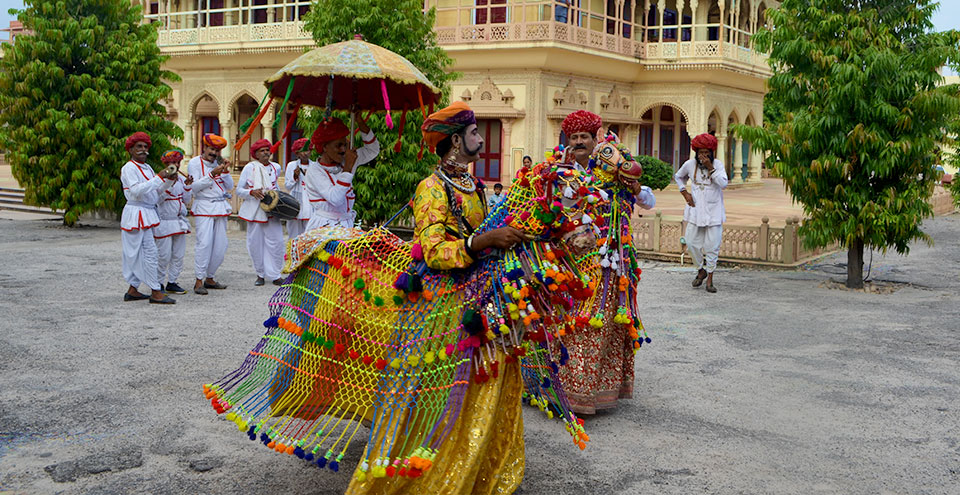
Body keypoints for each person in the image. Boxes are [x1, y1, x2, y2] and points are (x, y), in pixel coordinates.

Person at [346, 101, 526, 495]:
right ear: (458, 141)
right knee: (444, 387)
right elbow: (431, 250)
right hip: (444, 303)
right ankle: (436, 472)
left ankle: (473, 465)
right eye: (476, 133)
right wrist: (484, 240)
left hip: (478, 293)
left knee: (488, 378)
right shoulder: (432, 188)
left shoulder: (472, 185)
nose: (482, 139)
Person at [551, 110, 655, 414]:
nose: (580, 141)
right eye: (574, 137)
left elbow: (647, 199)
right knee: (567, 322)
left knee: (599, 323)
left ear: (596, 138)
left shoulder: (613, 162)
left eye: (585, 136)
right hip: (570, 261)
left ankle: (590, 392)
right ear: (568, 141)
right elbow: (557, 207)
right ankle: (567, 390)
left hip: (609, 261)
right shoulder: (561, 169)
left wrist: (633, 186)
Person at [120, 132, 177, 304]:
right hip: (135, 214)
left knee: (143, 254)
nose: (143, 150)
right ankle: (155, 291)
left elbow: (156, 192)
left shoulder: (148, 168)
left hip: (147, 213)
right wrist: (160, 177)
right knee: (146, 254)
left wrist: (169, 181)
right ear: (131, 149)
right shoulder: (128, 168)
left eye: (145, 147)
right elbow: (136, 191)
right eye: (139, 146)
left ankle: (133, 290)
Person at [304, 113, 379, 230]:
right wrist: (348, 168)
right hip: (323, 227)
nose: (343, 149)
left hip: (346, 224)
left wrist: (360, 121)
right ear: (324, 147)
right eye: (338, 145)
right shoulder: (314, 171)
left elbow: (372, 150)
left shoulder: (346, 160)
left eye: (345, 144)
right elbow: (335, 199)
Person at [675, 133, 728, 293]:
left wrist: (711, 168)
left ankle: (710, 278)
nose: (703, 156)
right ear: (696, 153)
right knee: (690, 243)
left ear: (711, 153)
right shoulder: (690, 164)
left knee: (712, 246)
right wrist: (685, 193)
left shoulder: (717, 165)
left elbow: (723, 184)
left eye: (706, 153)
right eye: (700, 153)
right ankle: (700, 270)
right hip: (695, 211)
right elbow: (678, 177)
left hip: (714, 213)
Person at [188, 133, 233, 295]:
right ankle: (199, 280)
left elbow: (229, 186)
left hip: (220, 207)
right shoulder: (194, 163)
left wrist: (225, 171)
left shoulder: (219, 163)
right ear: (205, 148)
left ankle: (210, 277)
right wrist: (212, 174)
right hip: (204, 207)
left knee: (221, 245)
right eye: (211, 149)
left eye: (217, 150)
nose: (214, 153)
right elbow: (194, 187)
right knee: (204, 244)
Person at [237, 138, 285, 286]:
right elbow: (239, 190)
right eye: (261, 151)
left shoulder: (276, 167)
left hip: (272, 210)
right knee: (255, 244)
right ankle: (260, 274)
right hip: (255, 211)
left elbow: (275, 185)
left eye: (267, 150)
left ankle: (276, 274)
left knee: (276, 242)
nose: (265, 153)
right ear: (256, 154)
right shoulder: (249, 168)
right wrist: (251, 192)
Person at [154, 149, 193, 295]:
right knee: (163, 255)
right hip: (164, 221)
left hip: (179, 221)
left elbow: (187, 200)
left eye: (177, 162)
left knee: (178, 254)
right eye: (172, 163)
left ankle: (172, 282)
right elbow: (157, 199)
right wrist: (169, 184)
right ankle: (158, 283)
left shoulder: (182, 179)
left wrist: (188, 186)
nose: (176, 165)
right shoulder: (159, 179)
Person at [284, 137, 313, 240]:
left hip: (311, 204)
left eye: (307, 150)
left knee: (309, 235)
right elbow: (287, 186)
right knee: (294, 236)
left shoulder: (315, 166)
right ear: (297, 153)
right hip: (295, 204)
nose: (305, 153)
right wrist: (294, 177)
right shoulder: (292, 165)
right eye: (302, 151)